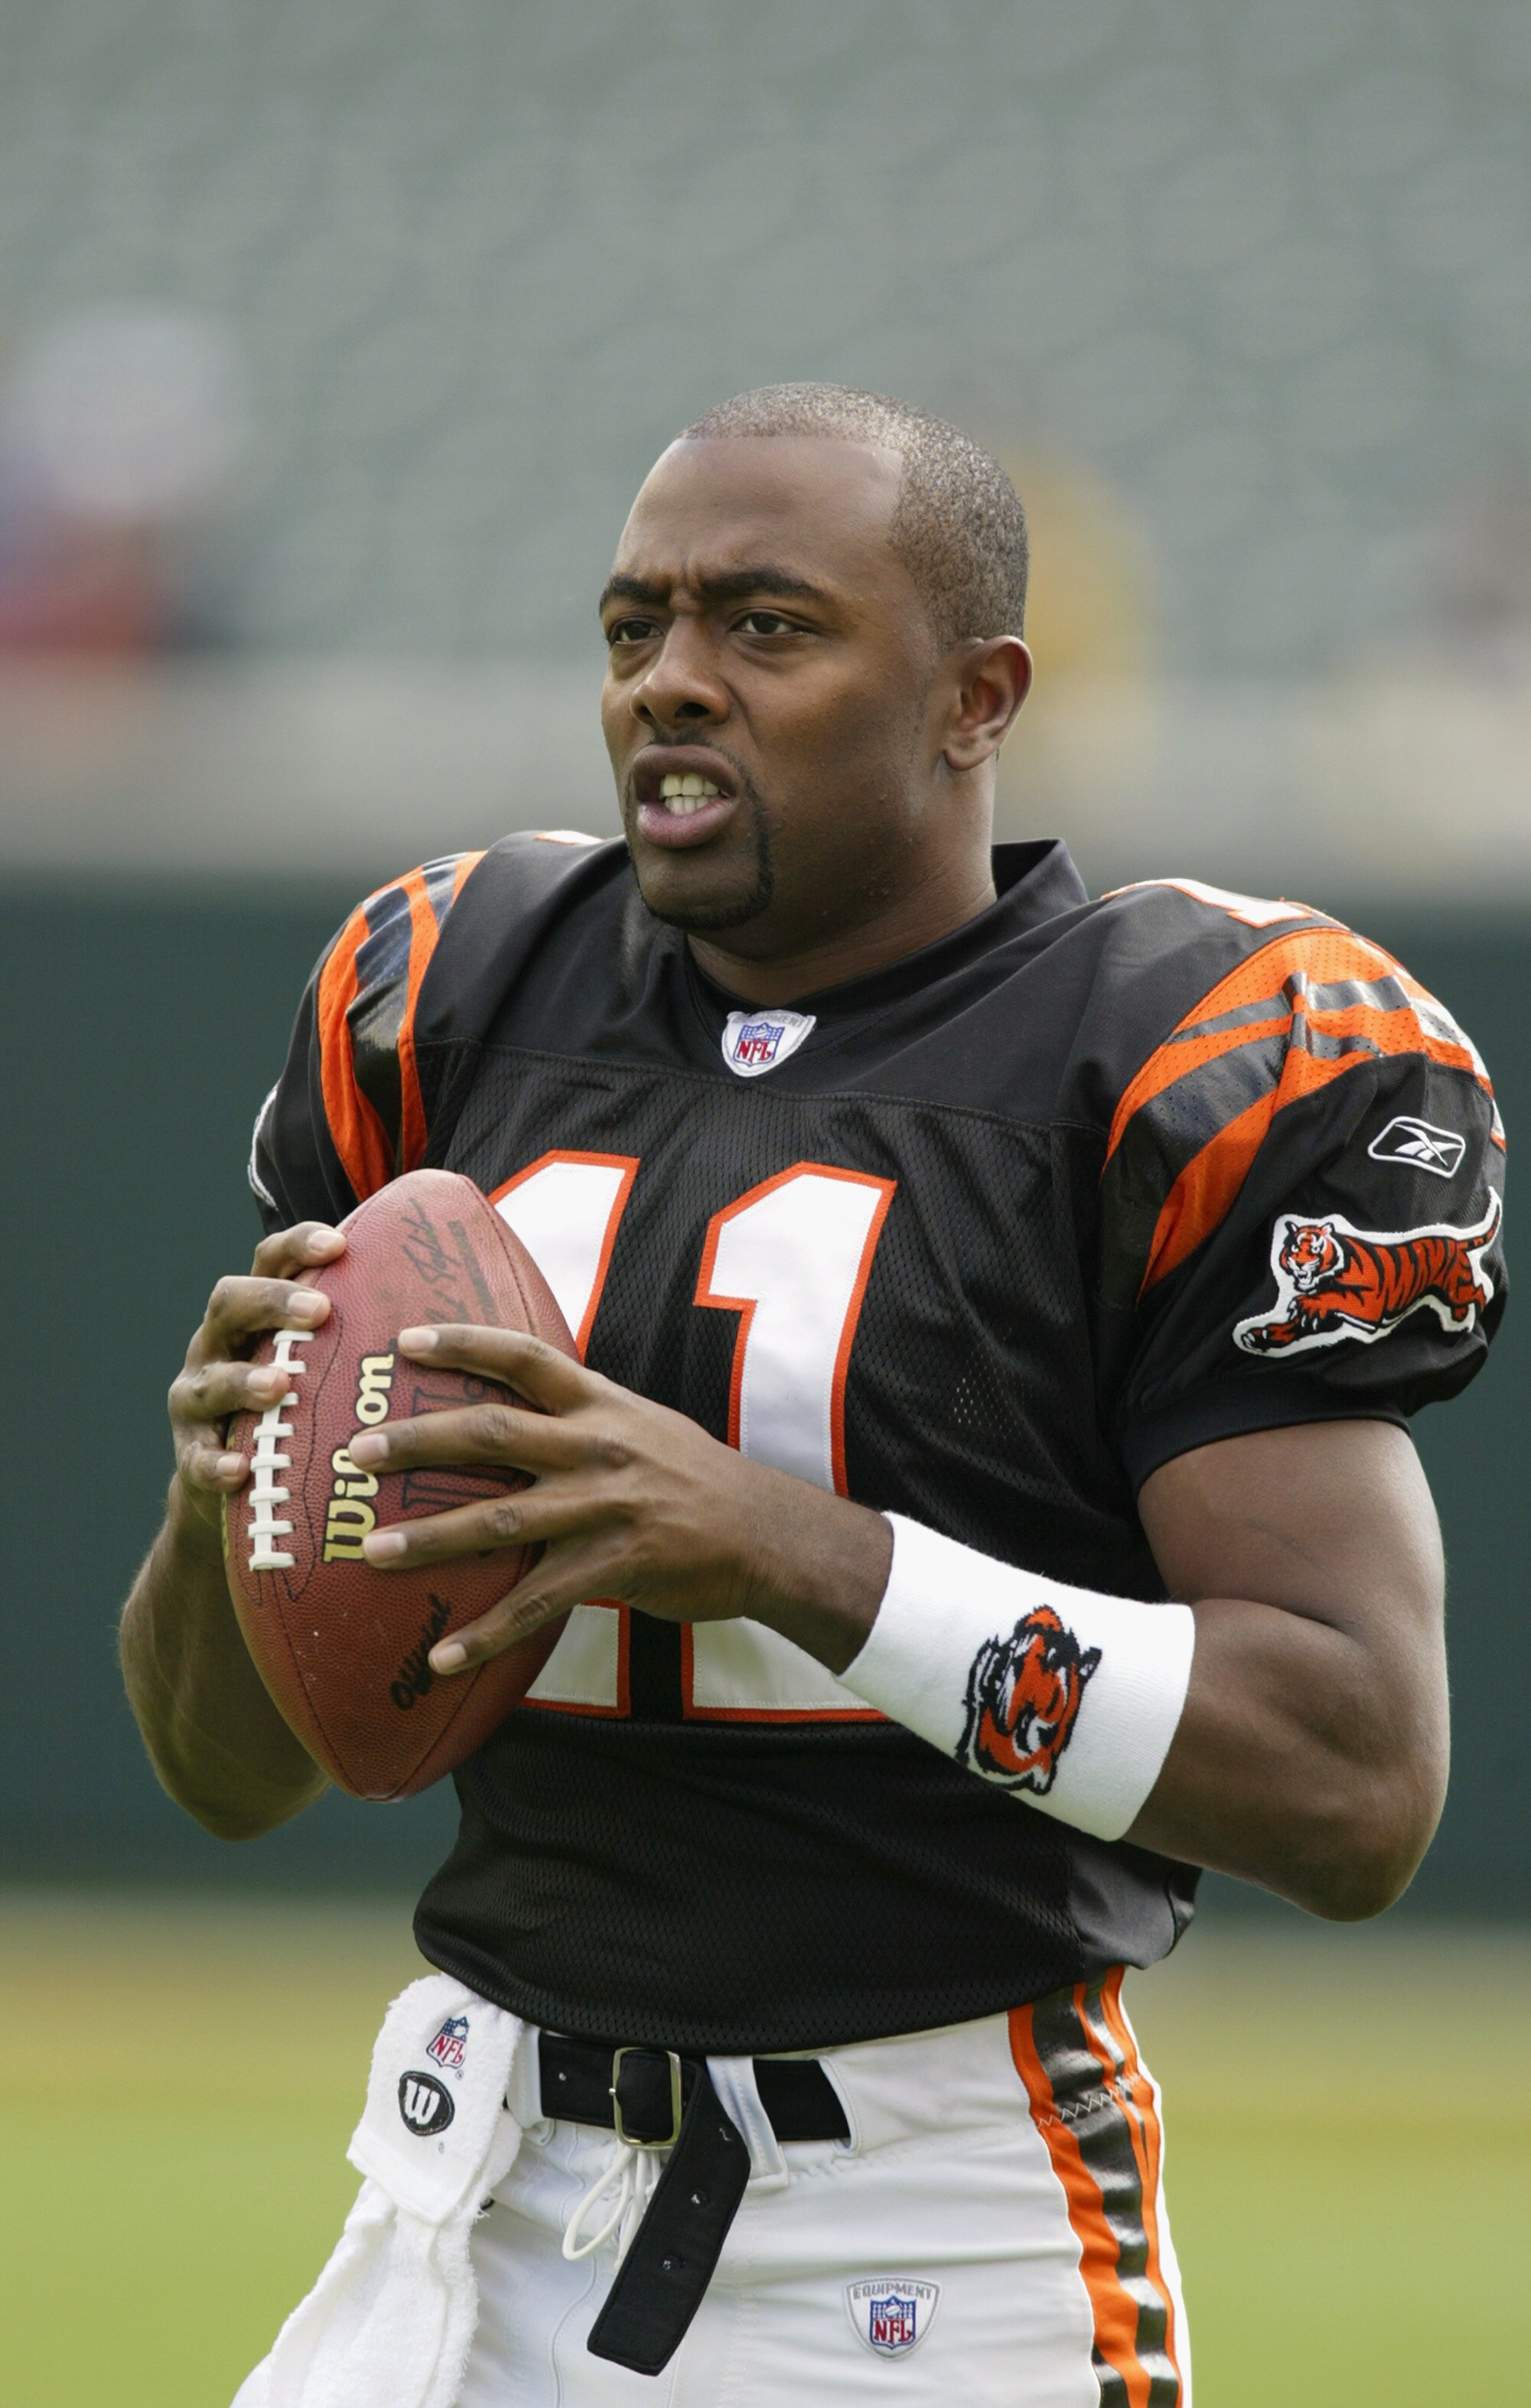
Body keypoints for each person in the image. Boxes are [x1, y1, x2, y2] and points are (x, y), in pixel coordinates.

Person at [120, 386, 1506, 2408]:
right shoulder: (450, 991)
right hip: (464, 2192)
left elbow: (1354, 1782)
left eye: (764, 626)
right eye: (632, 628)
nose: (671, 684)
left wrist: (784, 1548)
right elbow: (226, 1774)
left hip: (923, 2245)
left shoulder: (1183, 1054)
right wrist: (225, 1494)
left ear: (974, 694)